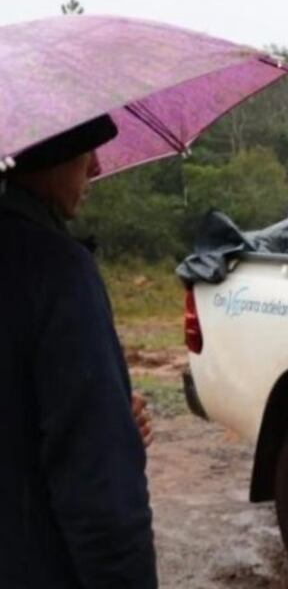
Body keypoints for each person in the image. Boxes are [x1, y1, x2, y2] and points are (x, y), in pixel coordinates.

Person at [0, 115, 157, 588]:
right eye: (85, 152)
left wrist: (107, 420)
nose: (95, 168)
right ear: (52, 156)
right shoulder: (56, 269)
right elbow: (100, 490)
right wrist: (107, 430)